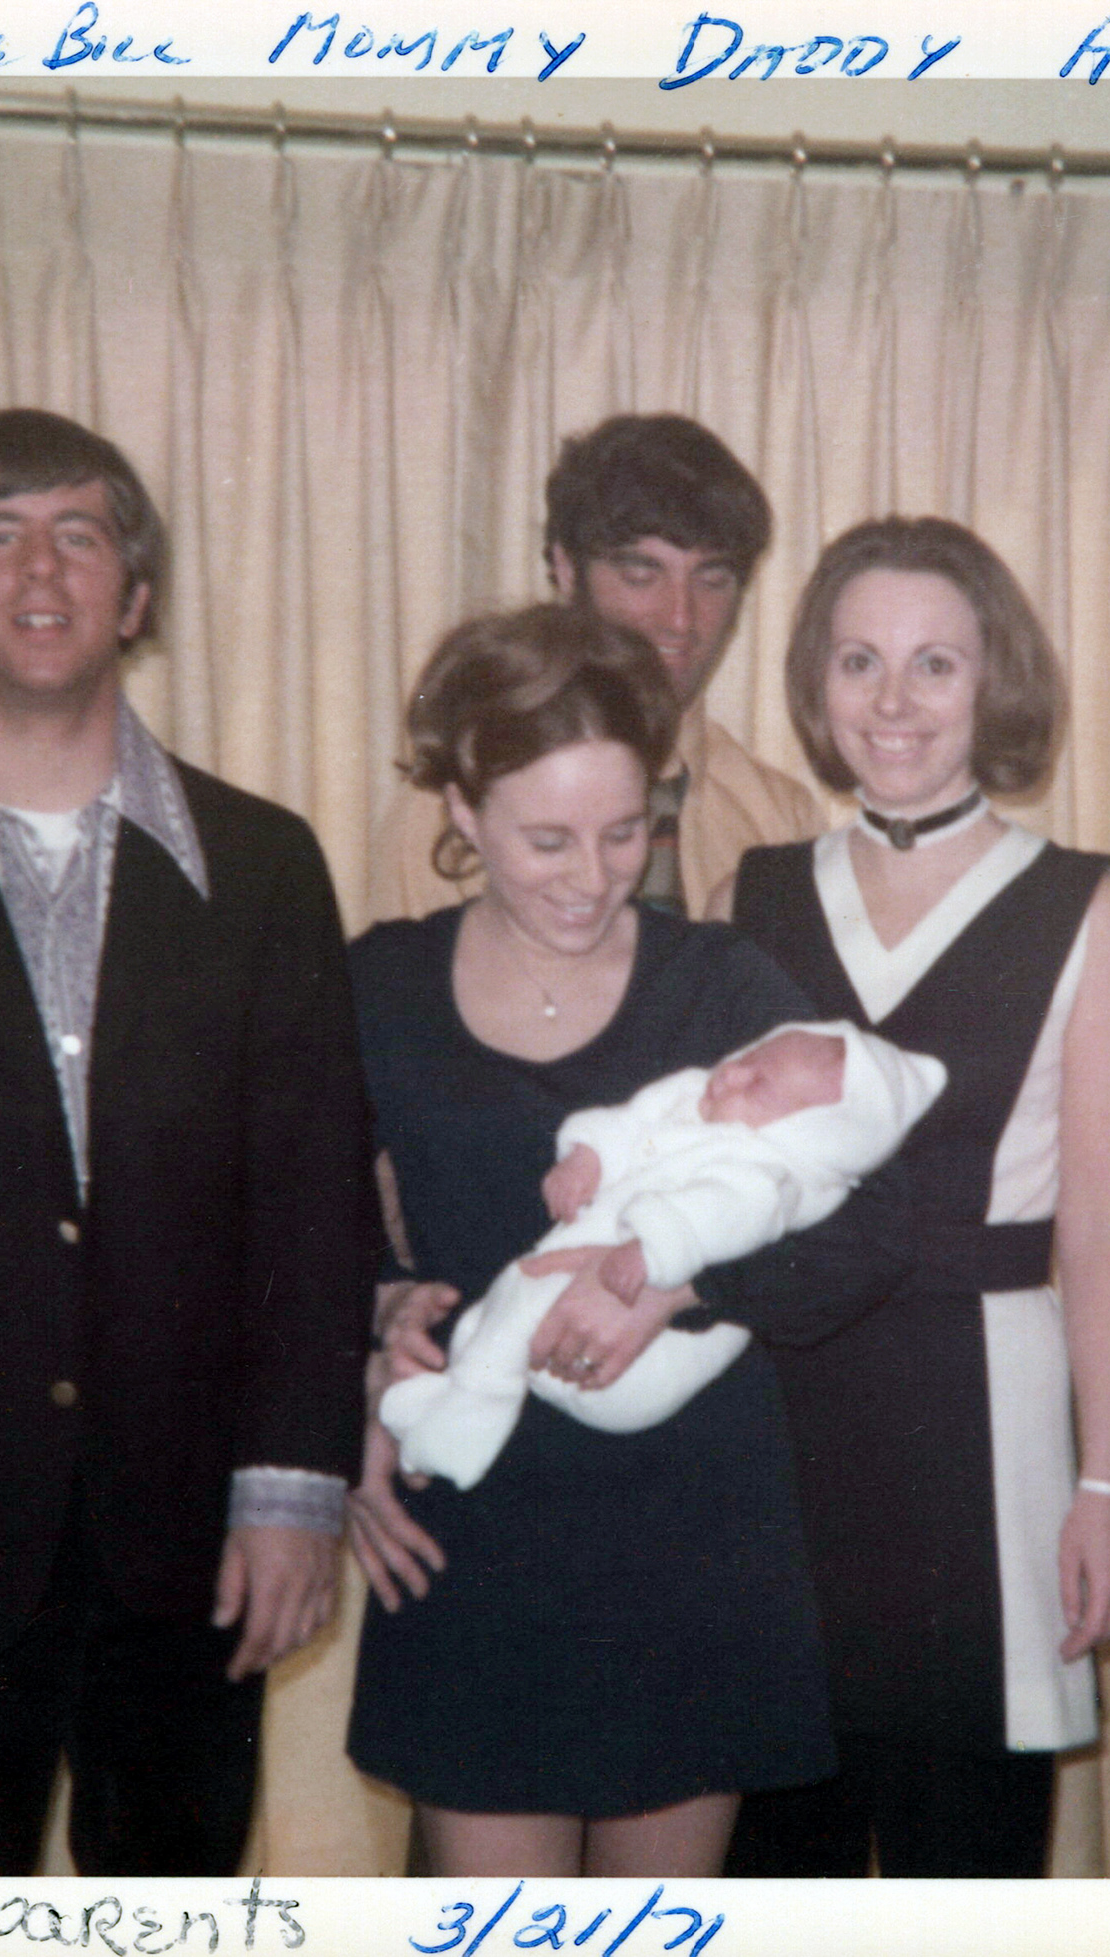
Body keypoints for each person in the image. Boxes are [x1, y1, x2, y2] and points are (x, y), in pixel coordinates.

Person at [0, 409, 372, 1876]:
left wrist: (294, 1489)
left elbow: (312, 1208)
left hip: (194, 1554)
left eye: (80, 532)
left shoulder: (263, 866)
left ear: (137, 590)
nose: (40, 568)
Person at [343, 603, 911, 1878]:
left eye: (623, 831)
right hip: (475, 1527)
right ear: (460, 805)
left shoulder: (720, 983)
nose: (592, 877)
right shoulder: (378, 984)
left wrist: (683, 1284)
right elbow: (286, 1226)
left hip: (692, 1540)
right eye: (545, 839)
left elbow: (880, 1225)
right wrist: (370, 1343)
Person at [714, 516, 1110, 1880]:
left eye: (935, 664)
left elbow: (1105, 1222)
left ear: (993, 681)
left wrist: (1107, 1486)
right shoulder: (755, 896)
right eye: (859, 661)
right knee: (771, 1859)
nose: (893, 701)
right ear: (818, 681)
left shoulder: (1085, 907)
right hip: (779, 1418)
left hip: (988, 1429)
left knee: (962, 1862)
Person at [379, 1021, 945, 1487]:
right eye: (750, 1055)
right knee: (496, 1312)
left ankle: (463, 1427)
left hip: (643, 1365)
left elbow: (723, 1213)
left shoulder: (773, 1175)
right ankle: (446, 1402)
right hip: (574, 1321)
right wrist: (587, 1155)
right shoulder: (699, 1094)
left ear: (810, 1135)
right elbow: (629, 1121)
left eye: (759, 1086)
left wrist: (655, 1255)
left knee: (521, 1300)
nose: (732, 1073)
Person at [365, 414, 817, 923]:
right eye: (641, 574)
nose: (681, 619)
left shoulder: (779, 820)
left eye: (712, 579)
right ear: (566, 570)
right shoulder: (451, 811)